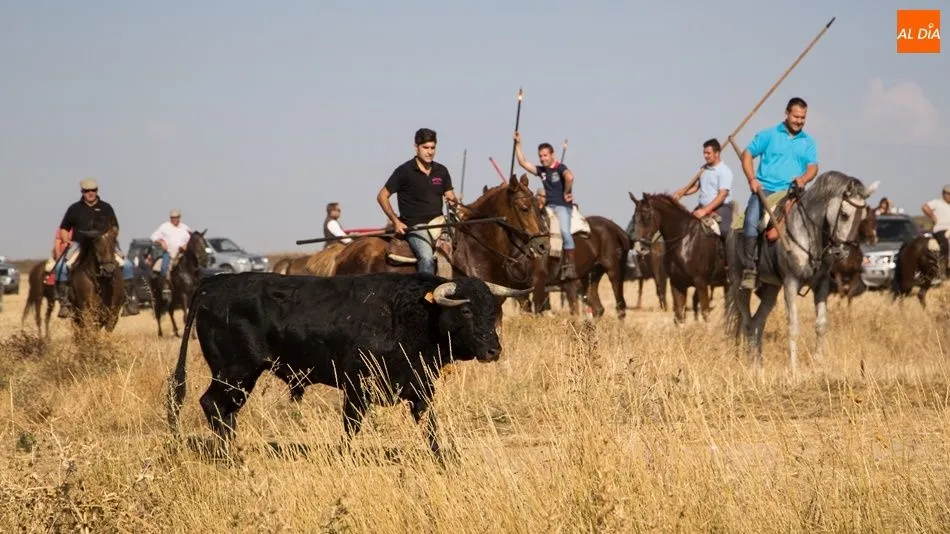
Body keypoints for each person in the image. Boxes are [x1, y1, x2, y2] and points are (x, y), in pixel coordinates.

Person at [738, 97, 819, 289]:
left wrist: (803, 179)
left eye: (803, 118)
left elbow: (813, 166)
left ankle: (817, 266)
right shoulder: (769, 135)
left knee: (817, 222)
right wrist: (752, 179)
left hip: (793, 192)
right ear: (787, 113)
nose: (799, 121)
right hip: (765, 190)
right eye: (796, 116)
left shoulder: (808, 142)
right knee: (750, 221)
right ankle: (750, 269)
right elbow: (747, 154)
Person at [377, 128, 458, 274]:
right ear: (416, 147)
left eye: (433, 148)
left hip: (439, 222)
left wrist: (453, 202)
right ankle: (427, 294)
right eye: (425, 147)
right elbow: (382, 196)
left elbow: (451, 197)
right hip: (415, 225)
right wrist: (395, 221)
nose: (430, 152)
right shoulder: (404, 171)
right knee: (426, 257)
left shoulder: (442, 171)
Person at [52, 178, 135, 317]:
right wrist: (66, 239)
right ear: (82, 192)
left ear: (97, 191)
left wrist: (109, 237)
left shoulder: (106, 207)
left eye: (93, 190)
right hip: (80, 243)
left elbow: (115, 227)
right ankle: (65, 303)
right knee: (61, 266)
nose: (90, 193)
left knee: (127, 265)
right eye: (87, 191)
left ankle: (129, 301)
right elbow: (64, 228)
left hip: (103, 244)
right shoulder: (74, 208)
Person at [515, 132, 578, 280]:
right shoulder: (542, 171)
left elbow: (570, 176)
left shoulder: (560, 167)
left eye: (545, 155)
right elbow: (523, 163)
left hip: (562, 206)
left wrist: (567, 192)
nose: (543, 158)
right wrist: (518, 144)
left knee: (564, 231)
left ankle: (570, 265)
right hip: (548, 207)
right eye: (540, 156)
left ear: (552, 155)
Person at [672, 138, 734, 244]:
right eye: (704, 153)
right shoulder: (704, 169)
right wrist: (680, 192)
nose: (705, 156)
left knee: (725, 231)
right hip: (702, 206)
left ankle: (729, 258)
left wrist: (705, 211)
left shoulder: (724, 171)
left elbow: (722, 195)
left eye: (708, 153)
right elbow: (696, 187)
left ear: (717, 153)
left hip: (721, 207)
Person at [150, 209, 193, 297]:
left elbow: (192, 238)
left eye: (176, 217)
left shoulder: (184, 227)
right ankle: (165, 287)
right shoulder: (164, 227)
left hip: (182, 253)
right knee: (164, 267)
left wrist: (186, 245)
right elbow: (153, 236)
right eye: (172, 218)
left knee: (192, 266)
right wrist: (161, 241)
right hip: (169, 253)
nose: (174, 219)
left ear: (179, 217)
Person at [921, 185, 950, 276]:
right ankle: (942, 269)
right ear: (943, 194)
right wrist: (932, 216)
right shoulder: (937, 202)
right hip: (940, 229)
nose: (949, 196)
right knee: (944, 245)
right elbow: (925, 206)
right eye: (947, 194)